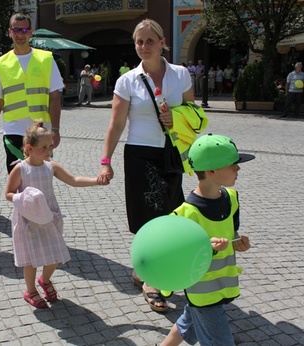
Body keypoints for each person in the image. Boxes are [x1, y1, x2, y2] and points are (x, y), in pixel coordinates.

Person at [97, 19, 194, 312]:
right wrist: (106, 161)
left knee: (172, 212)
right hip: (140, 153)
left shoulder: (181, 74)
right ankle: (151, 277)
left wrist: (176, 117)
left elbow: (194, 112)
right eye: (139, 42)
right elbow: (116, 124)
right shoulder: (128, 80)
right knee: (147, 217)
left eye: (150, 41)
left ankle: (147, 267)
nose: (144, 47)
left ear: (163, 42)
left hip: (172, 152)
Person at [160, 133, 253, 346]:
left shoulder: (232, 198)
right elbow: (174, 259)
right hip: (202, 292)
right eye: (233, 165)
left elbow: (233, 234)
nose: (238, 169)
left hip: (221, 285)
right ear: (211, 171)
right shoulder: (184, 215)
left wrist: (239, 243)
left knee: (189, 320)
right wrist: (205, 248)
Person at [5, 121, 107, 308]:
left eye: (50, 146)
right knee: (31, 260)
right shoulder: (20, 169)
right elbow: (8, 193)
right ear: (29, 148)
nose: (48, 150)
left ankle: (44, 280)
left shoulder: (50, 166)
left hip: (49, 217)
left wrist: (96, 181)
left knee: (54, 256)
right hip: (28, 220)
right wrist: (24, 198)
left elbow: (74, 180)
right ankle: (30, 290)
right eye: (44, 147)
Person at [0, 12, 63, 173]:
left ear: (30, 32)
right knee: (17, 181)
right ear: (9, 32)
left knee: (41, 179)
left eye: (24, 30)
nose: (20, 35)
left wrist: (56, 130)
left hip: (42, 132)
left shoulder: (46, 59)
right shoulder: (0, 64)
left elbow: (54, 98)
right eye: (16, 30)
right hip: (14, 132)